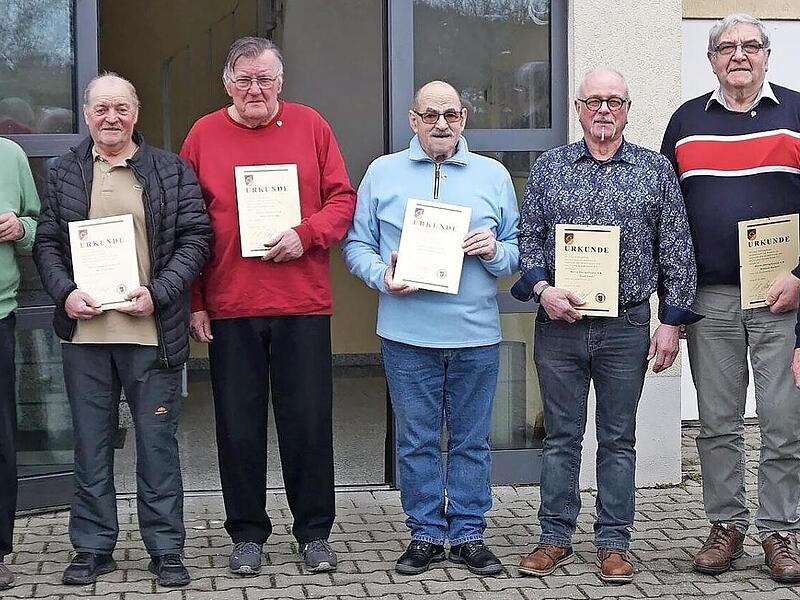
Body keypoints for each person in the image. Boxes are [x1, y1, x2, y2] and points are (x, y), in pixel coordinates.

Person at [514, 68, 699, 583]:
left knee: (618, 439)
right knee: (560, 437)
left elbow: (676, 250)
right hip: (560, 325)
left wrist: (672, 322)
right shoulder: (551, 167)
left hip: (626, 326)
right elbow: (527, 239)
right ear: (578, 108)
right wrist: (542, 289)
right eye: (593, 100)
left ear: (627, 108)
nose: (603, 110)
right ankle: (554, 538)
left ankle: (614, 543)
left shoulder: (655, 169)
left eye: (613, 101)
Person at [180, 37, 356, 575]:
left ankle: (314, 533)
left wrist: (307, 234)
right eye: (244, 79)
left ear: (281, 82)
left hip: (302, 304)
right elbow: (188, 224)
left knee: (306, 422)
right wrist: (195, 301)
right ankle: (247, 534)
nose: (255, 89)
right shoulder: (203, 135)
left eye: (265, 79)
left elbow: (342, 200)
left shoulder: (311, 125)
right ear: (227, 84)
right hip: (231, 305)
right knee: (238, 425)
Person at [33, 73, 211, 587]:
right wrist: (65, 290)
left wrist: (158, 292)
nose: (111, 118)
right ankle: (92, 548)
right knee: (90, 444)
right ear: (86, 114)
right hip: (85, 337)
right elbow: (47, 241)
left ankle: (165, 549)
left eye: (121, 108)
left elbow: (196, 240)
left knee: (157, 444)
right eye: (101, 109)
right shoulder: (65, 170)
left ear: (136, 113)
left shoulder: (169, 170)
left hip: (150, 334)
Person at [343, 80, 519, 576]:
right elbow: (357, 245)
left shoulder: (493, 175)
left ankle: (468, 532)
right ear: (413, 119)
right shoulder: (383, 173)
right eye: (430, 115)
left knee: (471, 440)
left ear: (463, 118)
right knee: (417, 439)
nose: (441, 124)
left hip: (475, 335)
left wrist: (494, 249)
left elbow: (517, 249)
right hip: (406, 335)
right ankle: (424, 532)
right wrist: (383, 275)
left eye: (451, 114)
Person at [661, 13, 800, 583]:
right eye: (726, 47)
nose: (738, 55)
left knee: (783, 420)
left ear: (767, 54)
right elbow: (669, 217)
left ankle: (780, 532)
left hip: (783, 297)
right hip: (712, 297)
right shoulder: (686, 122)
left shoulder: (796, 112)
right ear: (712, 58)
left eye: (749, 46)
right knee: (717, 422)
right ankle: (725, 526)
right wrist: (674, 306)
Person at [0, 137, 40, 591]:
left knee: (0, 439)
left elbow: (38, 225)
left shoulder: (10, 155)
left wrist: (20, 229)